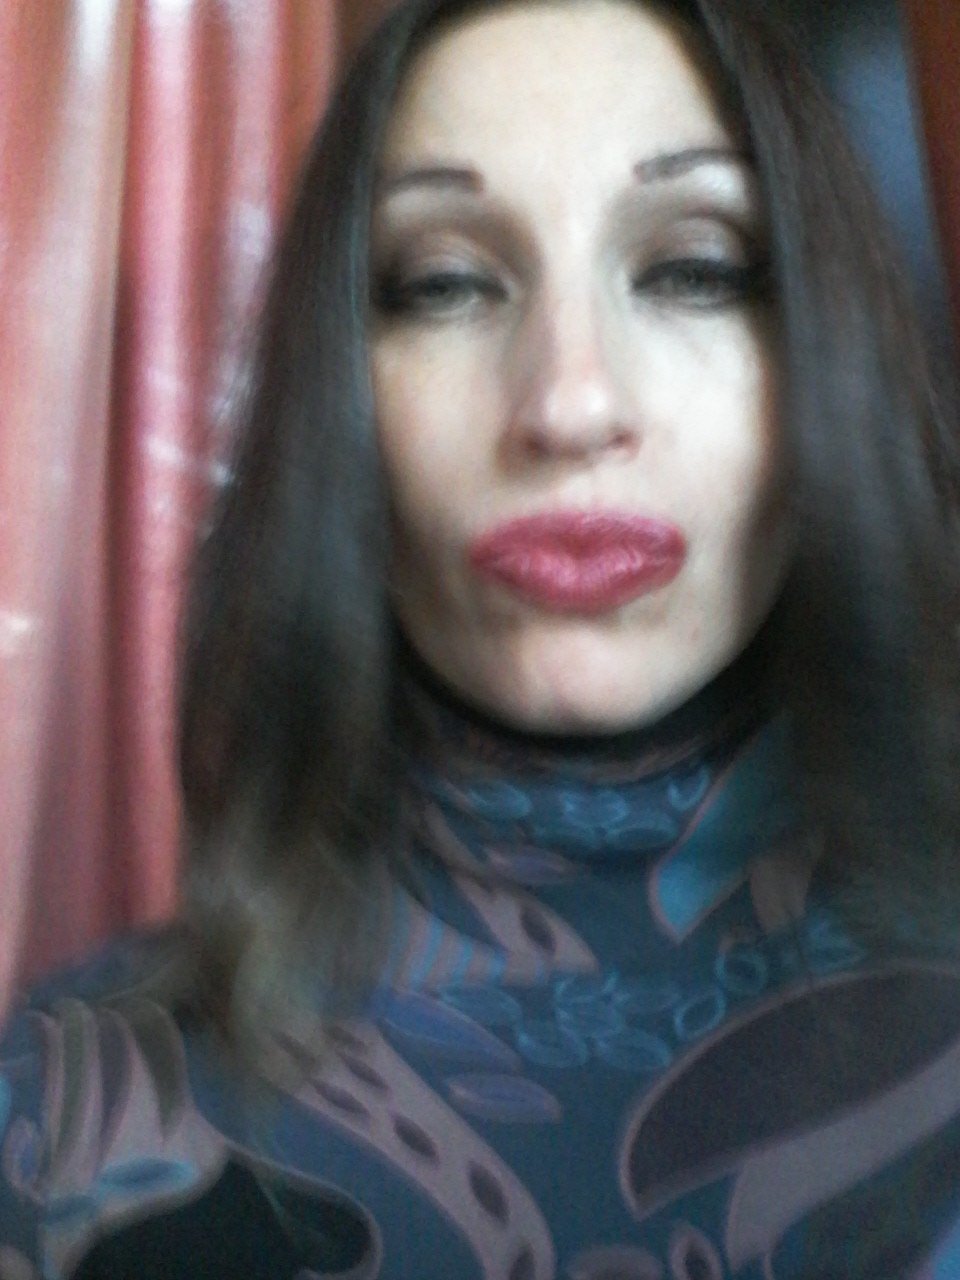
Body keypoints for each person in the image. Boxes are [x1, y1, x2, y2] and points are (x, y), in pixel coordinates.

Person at [3, 0, 960, 1276]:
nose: (569, 400)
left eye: (694, 268)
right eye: (444, 283)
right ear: (341, 395)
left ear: (828, 350)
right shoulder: (56, 1126)